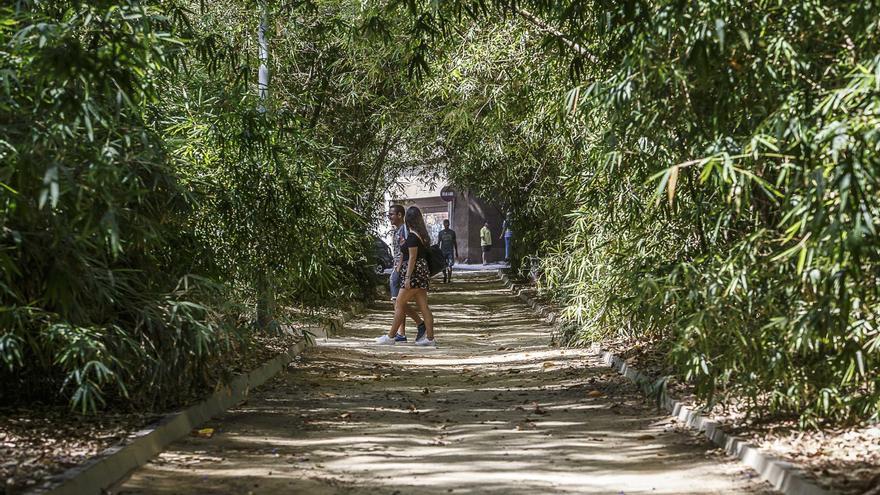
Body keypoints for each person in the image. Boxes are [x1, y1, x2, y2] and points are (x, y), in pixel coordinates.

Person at [377, 206, 436, 346]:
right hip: (421, 273)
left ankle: (391, 336)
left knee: (399, 303)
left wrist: (408, 278)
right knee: (423, 306)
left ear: (408, 218)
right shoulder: (420, 234)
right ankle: (430, 338)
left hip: (415, 274)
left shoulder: (413, 236)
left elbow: (412, 258)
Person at [386, 205, 426, 342]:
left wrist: (402, 271)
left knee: (399, 301)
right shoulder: (397, 230)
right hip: (398, 268)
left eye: (391, 214)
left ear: (400, 215)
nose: (389, 217)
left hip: (402, 269)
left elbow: (409, 252)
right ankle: (402, 332)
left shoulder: (405, 230)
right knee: (397, 301)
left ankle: (416, 326)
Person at [437, 219, 458, 283]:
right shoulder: (440, 233)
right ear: (443, 225)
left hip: (450, 251)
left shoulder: (452, 232)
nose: (446, 225)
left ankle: (449, 279)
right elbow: (438, 243)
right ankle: (445, 276)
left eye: (447, 224)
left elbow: (455, 242)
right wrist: (437, 251)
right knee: (443, 265)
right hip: (443, 251)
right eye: (445, 224)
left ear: (449, 224)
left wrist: (456, 251)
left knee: (450, 265)